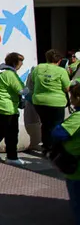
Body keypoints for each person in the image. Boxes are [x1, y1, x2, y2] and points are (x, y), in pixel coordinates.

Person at [0, 52, 27, 165]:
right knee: (11, 133)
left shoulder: (0, 72)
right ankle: (12, 157)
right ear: (15, 63)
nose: (21, 65)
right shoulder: (10, 74)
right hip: (7, 107)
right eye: (20, 62)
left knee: (0, 130)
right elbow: (21, 89)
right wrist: (28, 92)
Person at [29, 49, 71, 155]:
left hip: (39, 102)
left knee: (45, 124)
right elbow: (67, 88)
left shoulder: (38, 68)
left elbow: (33, 81)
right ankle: (55, 149)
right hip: (57, 102)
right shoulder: (61, 71)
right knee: (56, 125)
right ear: (60, 60)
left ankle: (46, 147)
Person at [50, 81, 80, 224]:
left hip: (76, 169)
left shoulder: (77, 118)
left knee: (77, 202)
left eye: (72, 97)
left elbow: (58, 132)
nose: (71, 101)